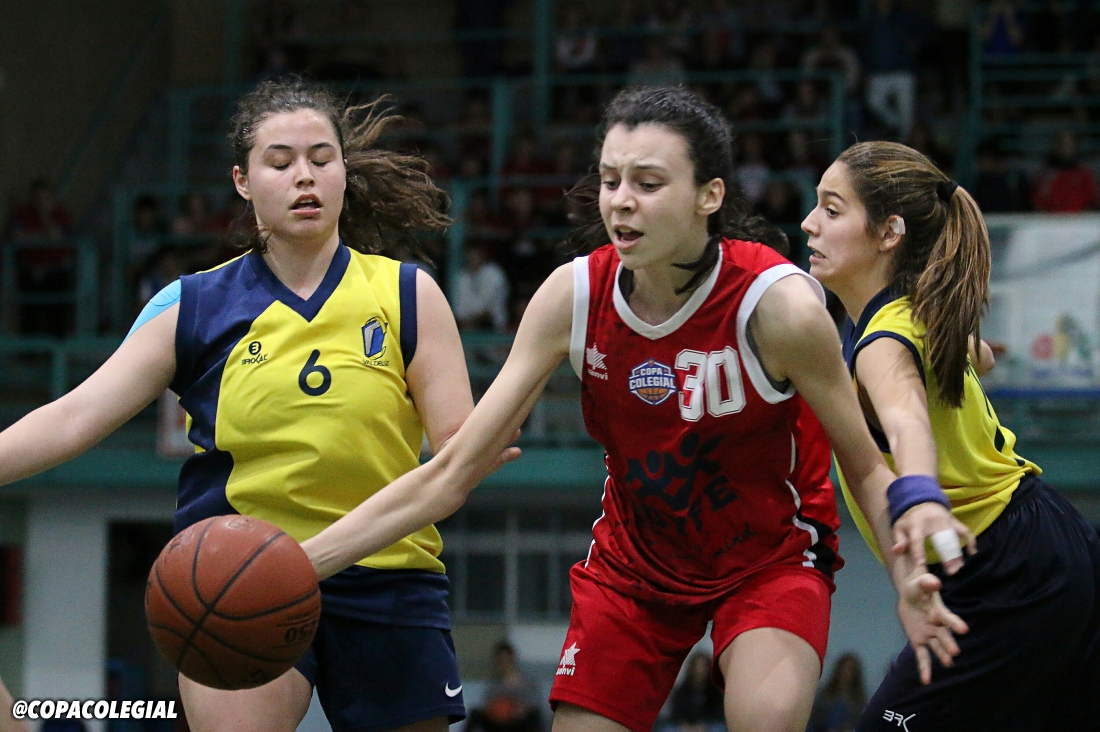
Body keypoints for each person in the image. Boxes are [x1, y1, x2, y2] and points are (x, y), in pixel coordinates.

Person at [300, 86, 971, 732]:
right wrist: (302, 565)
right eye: (610, 180)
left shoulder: (779, 307)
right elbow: (450, 474)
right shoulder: (572, 298)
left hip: (769, 558)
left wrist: (907, 578)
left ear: (709, 196)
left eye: (648, 183)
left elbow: (864, 465)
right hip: (633, 568)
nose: (621, 200)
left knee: (766, 719)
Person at [0, 77, 485, 732]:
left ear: (344, 172)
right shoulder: (192, 306)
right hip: (232, 574)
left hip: (388, 574)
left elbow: (457, 463)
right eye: (280, 162)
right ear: (242, 181)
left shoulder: (408, 294)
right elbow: (74, 416)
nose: (304, 176)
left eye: (321, 158)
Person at [801, 140, 1100, 731]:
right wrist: (975, 354)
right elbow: (974, 354)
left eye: (832, 210)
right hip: (1049, 544)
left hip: (1004, 566)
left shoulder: (882, 343)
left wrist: (920, 495)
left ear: (889, 233)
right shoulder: (917, 312)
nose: (809, 223)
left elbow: (906, 417)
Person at [465, 642, 543, 732]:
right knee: (475, 714)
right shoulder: (493, 684)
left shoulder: (526, 683)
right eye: (501, 661)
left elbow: (534, 704)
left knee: (534, 716)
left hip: (517, 722)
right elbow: (487, 704)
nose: (504, 665)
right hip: (497, 722)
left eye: (506, 660)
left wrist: (519, 709)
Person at [806, 652, 865, 732]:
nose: (845, 673)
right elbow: (815, 717)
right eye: (843, 669)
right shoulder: (825, 694)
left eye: (849, 670)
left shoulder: (859, 699)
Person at [666, 652, 724, 732]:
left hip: (708, 726)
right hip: (685, 727)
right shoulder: (682, 690)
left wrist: (704, 726)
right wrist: (687, 726)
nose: (700, 670)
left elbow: (718, 714)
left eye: (703, 667)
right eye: (697, 667)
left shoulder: (715, 691)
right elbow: (676, 714)